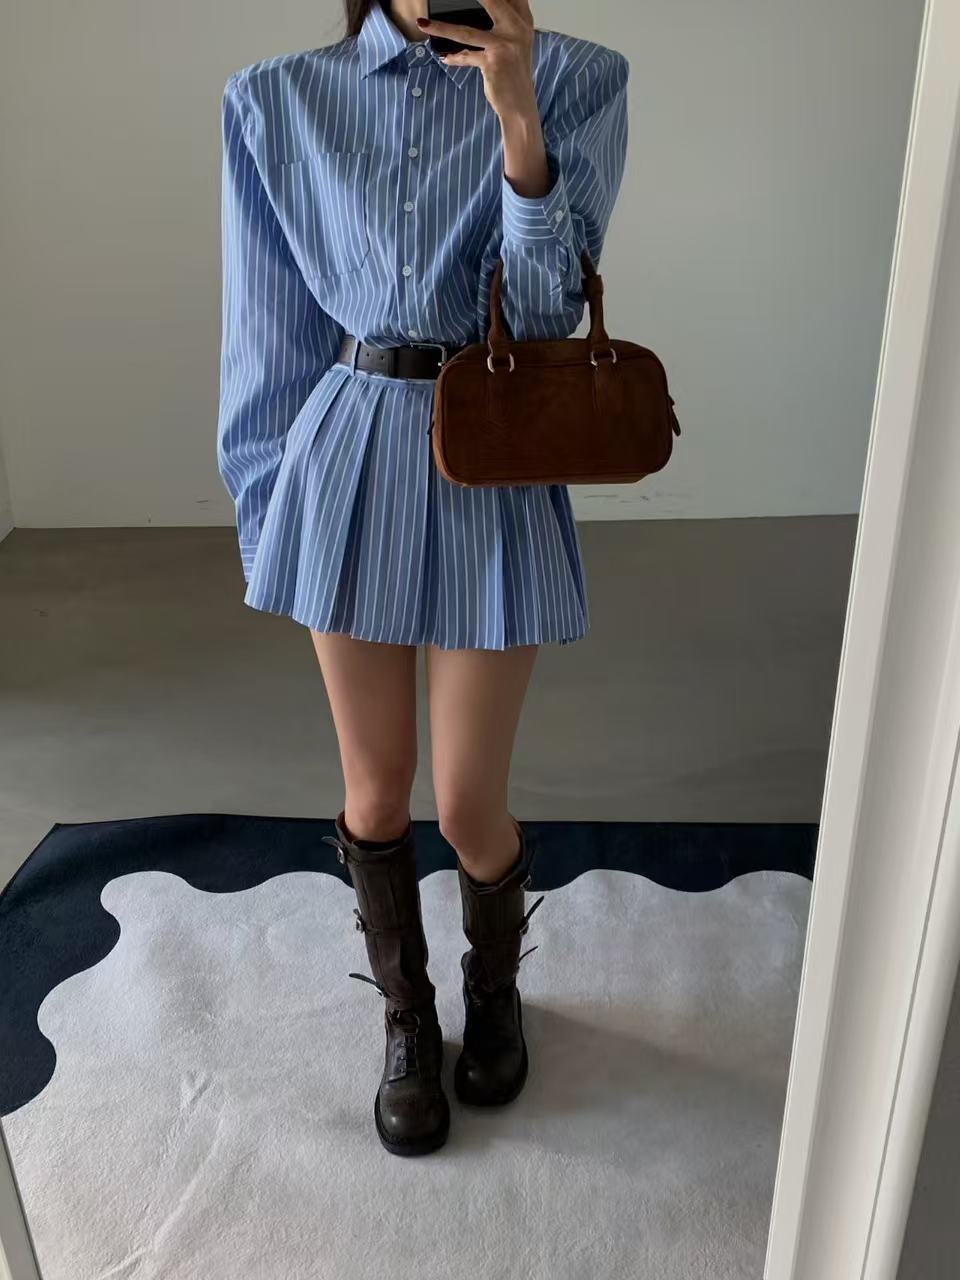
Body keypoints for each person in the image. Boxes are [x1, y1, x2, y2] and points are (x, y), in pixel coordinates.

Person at [216, 0, 629, 1156]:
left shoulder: (580, 79)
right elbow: (265, 332)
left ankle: (495, 987)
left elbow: (546, 313)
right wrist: (271, 509)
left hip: (493, 450)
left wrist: (517, 118)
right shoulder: (275, 99)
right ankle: (407, 1016)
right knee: (374, 791)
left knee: (467, 803)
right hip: (346, 458)